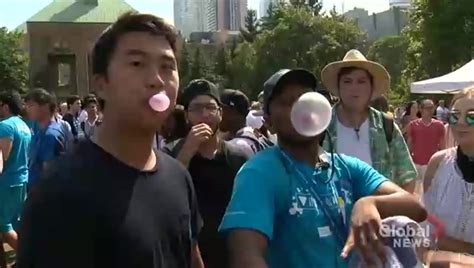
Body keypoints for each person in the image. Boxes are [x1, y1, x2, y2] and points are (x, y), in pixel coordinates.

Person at [17, 12, 203, 268]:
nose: (157, 80)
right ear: (101, 84)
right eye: (137, 64)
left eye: (167, 67)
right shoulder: (59, 194)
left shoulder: (179, 177)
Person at [219, 69, 427, 268]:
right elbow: (245, 257)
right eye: (286, 102)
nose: (300, 108)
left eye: (306, 99)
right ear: (269, 122)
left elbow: (415, 207)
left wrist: (369, 203)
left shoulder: (346, 166)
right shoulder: (259, 173)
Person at [164, 79, 248, 268]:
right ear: (186, 115)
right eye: (196, 109)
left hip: (230, 256)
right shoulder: (169, 155)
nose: (204, 115)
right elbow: (163, 197)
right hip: (186, 256)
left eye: (210, 108)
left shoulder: (238, 157)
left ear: (220, 113)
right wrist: (187, 152)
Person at [321, 49, 417, 192]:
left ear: (371, 88)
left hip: (380, 212)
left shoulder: (386, 126)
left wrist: (390, 210)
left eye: (361, 81)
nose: (354, 88)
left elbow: (408, 178)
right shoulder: (322, 126)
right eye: (347, 81)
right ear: (339, 87)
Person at [423, 87, 474, 254]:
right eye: (455, 115)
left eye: (471, 116)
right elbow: (426, 223)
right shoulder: (438, 164)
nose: (461, 122)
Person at [0, 91, 32, 252]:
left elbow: (3, 157)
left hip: (7, 182)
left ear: (5, 106)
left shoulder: (5, 126)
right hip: (22, 179)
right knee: (16, 223)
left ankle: (31, 259)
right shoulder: (23, 125)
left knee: (4, 228)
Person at [25, 88, 66, 190]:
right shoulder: (39, 130)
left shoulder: (50, 135)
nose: (27, 109)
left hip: (42, 195)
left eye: (31, 105)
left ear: (45, 107)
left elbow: (48, 172)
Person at [407, 99, 445, 194]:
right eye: (428, 108)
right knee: (415, 192)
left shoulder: (439, 125)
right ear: (421, 109)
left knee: (429, 191)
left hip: (431, 164)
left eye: (432, 108)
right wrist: (408, 159)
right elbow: (409, 143)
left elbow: (442, 145)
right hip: (416, 163)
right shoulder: (413, 125)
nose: (430, 110)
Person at [220, 89, 273, 156]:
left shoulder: (238, 146)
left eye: (220, 109)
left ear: (232, 111)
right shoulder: (251, 133)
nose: (216, 114)